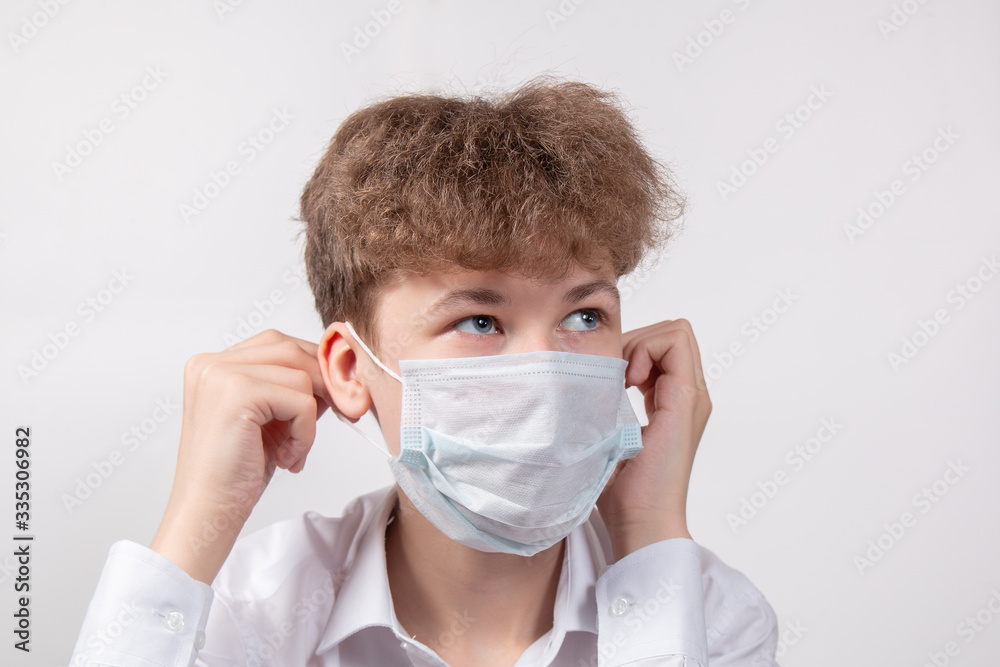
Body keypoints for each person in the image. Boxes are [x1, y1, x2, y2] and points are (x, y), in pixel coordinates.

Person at [71, 77, 778, 666]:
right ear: (351, 369)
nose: (547, 369)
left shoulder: (709, 616)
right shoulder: (252, 610)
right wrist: (196, 522)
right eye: (480, 321)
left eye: (585, 315)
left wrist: (650, 525)